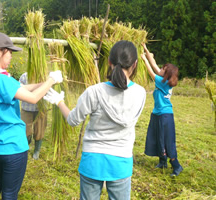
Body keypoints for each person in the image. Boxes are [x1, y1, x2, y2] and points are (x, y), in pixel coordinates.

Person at [44, 40, 146, 200]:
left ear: (110, 62)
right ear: (135, 64)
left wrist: (59, 101)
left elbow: (72, 120)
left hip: (93, 161)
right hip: (121, 163)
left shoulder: (94, 92)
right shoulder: (140, 93)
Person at [0, 32, 62, 200]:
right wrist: (51, 79)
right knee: (10, 193)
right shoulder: (2, 80)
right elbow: (34, 98)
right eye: (10, 52)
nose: (11, 57)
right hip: (12, 146)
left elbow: (22, 88)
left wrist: (46, 83)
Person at [141, 43, 183, 177]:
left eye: (163, 69)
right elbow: (155, 66)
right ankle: (162, 161)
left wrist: (144, 59)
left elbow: (152, 72)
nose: (160, 69)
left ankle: (176, 166)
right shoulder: (165, 79)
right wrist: (147, 50)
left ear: (166, 74)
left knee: (167, 140)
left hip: (165, 115)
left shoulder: (162, 82)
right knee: (158, 137)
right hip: (158, 113)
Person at [19, 72, 47, 160]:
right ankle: (25, 149)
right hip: (27, 108)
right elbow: (20, 90)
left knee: (39, 130)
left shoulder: (45, 75)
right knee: (25, 130)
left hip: (40, 109)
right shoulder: (24, 76)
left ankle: (37, 150)